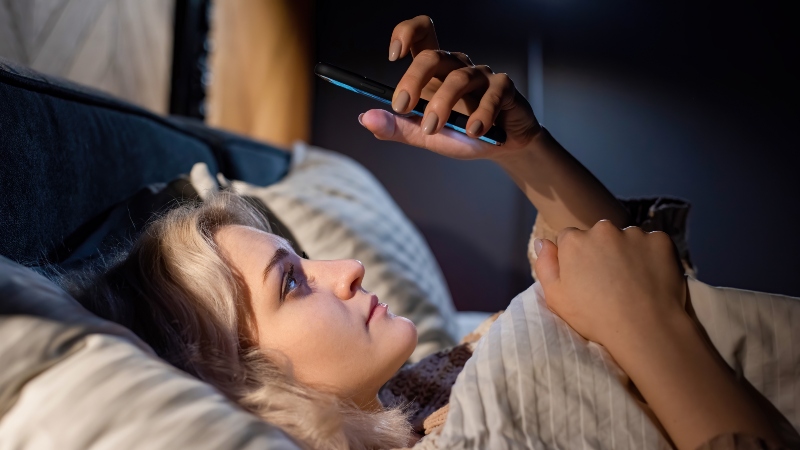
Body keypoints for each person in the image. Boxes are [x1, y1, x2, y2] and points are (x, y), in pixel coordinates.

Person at [67, 15, 792, 450]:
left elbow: (617, 262)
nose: (347, 267)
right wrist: (652, 329)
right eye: (292, 282)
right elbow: (643, 305)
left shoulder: (410, 397)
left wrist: (524, 149)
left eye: (302, 262)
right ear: (239, 385)